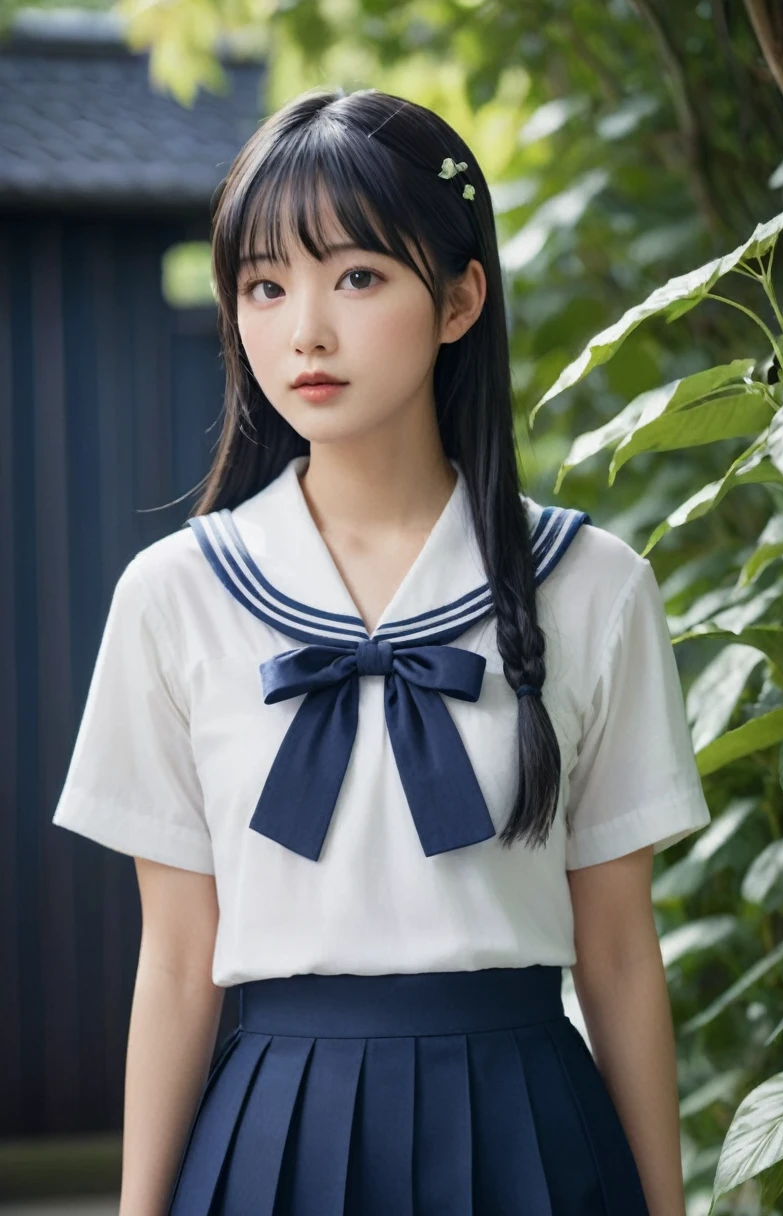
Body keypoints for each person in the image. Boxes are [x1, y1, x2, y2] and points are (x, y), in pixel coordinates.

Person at [52, 86, 711, 1216]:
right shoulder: (175, 597)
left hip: (529, 1131)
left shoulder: (594, 585)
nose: (305, 328)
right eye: (264, 285)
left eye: (356, 276)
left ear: (459, 298)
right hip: (270, 1132)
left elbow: (614, 952)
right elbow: (173, 961)